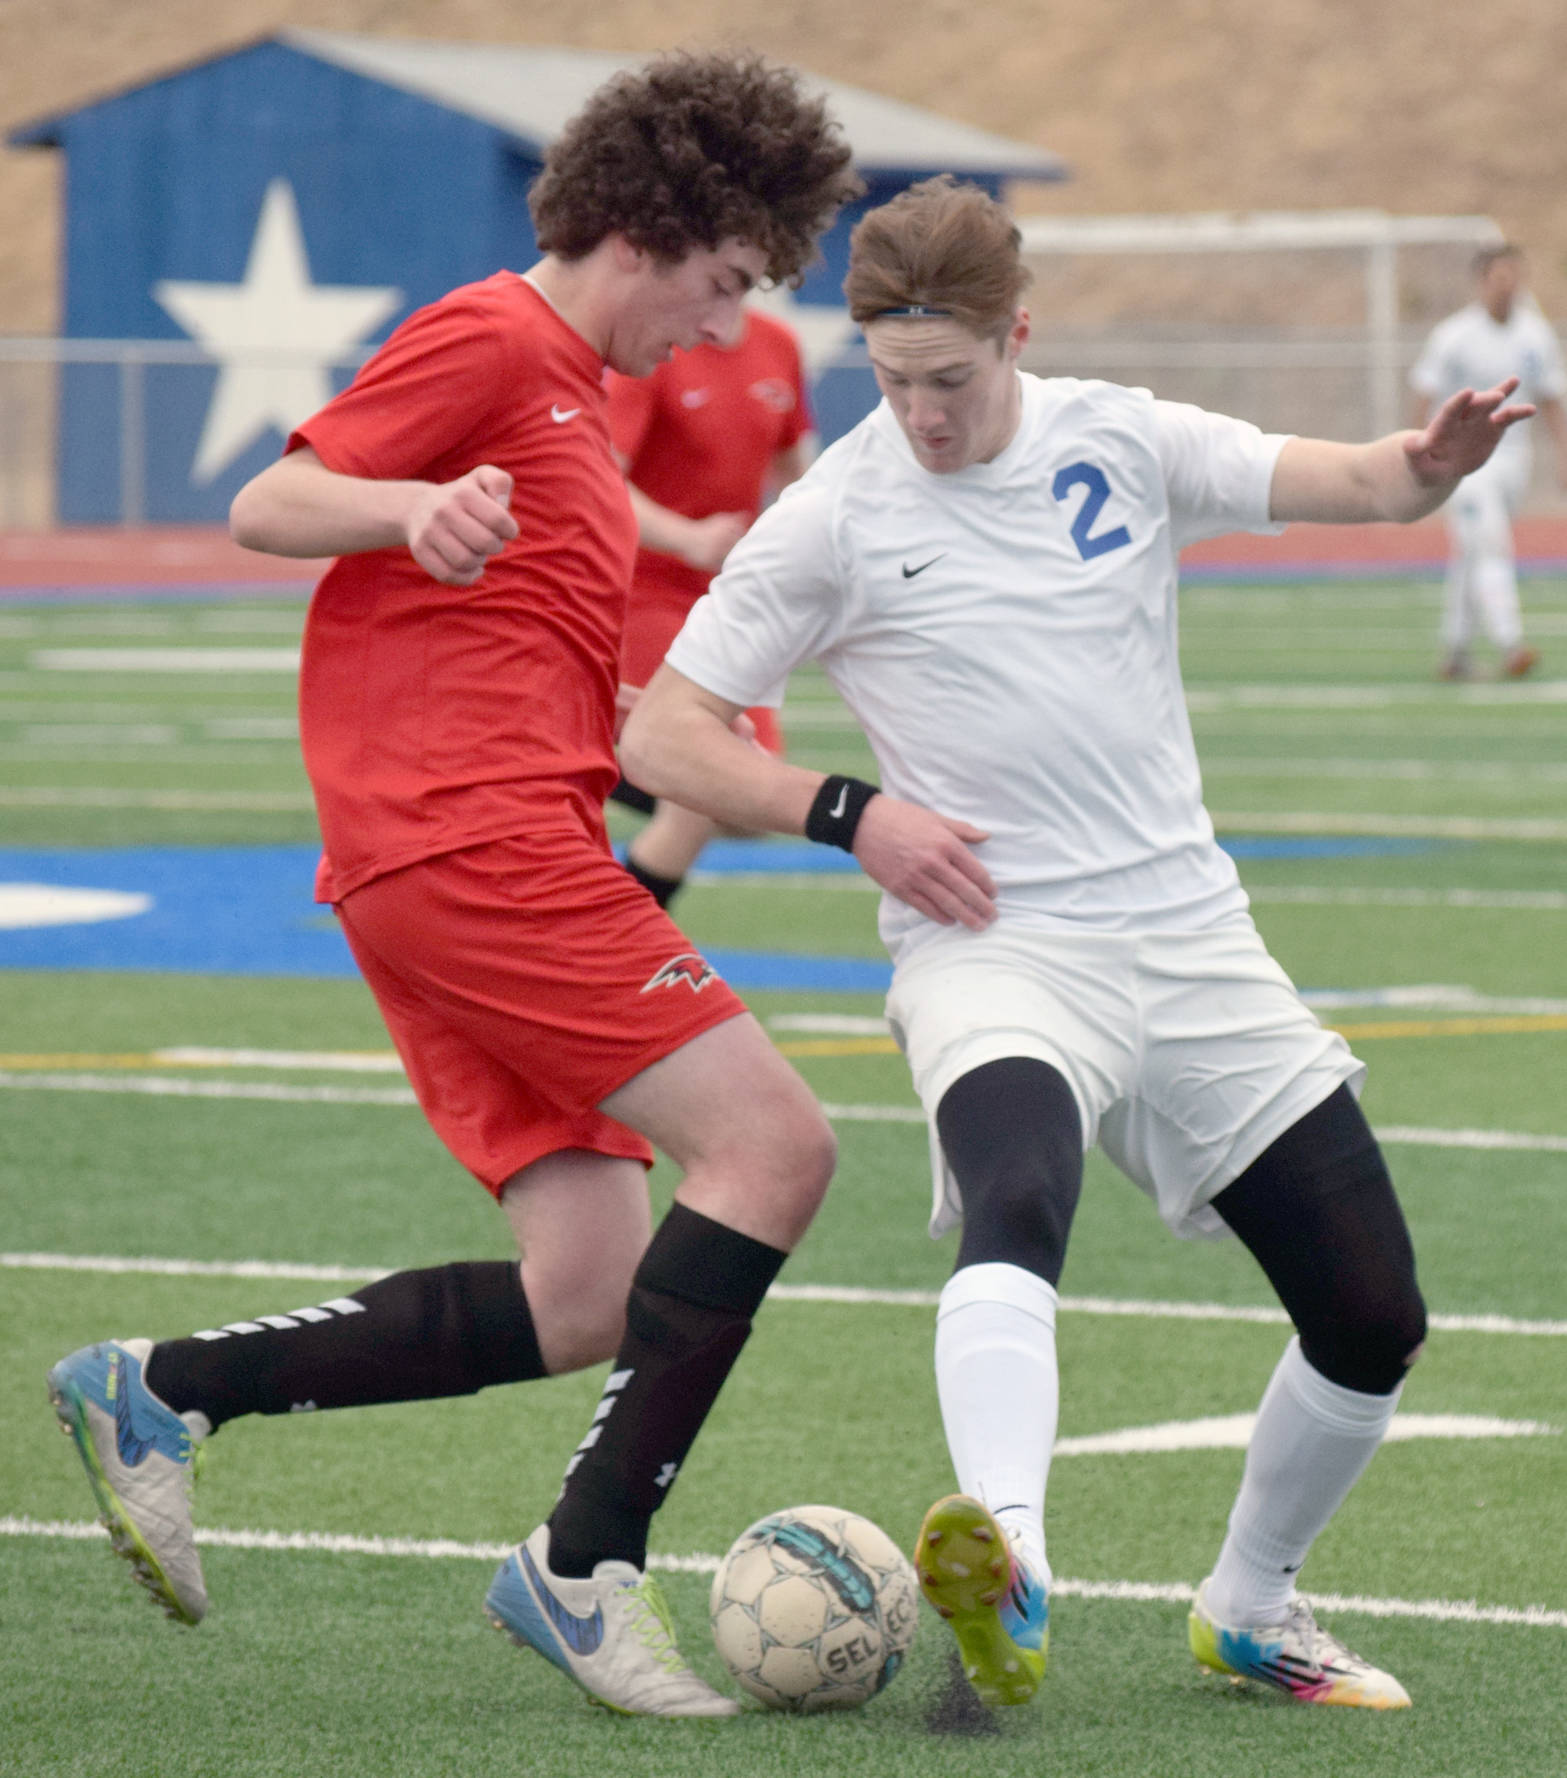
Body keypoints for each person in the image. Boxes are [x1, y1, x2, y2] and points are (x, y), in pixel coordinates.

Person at [621, 176, 1536, 1714]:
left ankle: (1248, 1606)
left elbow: (1363, 484)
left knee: (1373, 1314)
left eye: (950, 381)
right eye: (892, 381)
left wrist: (1429, 464)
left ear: (1015, 335)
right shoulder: (837, 509)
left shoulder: (1117, 433)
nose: (919, 414)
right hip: (994, 944)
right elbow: (664, 726)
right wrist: (854, 813)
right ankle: (1015, 1564)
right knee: (1018, 1190)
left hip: (1185, 936)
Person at [44, 51, 858, 1719]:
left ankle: (161, 1390)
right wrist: (412, 505)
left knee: (590, 1293)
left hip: (463, 850)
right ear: (658, 227)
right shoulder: (501, 335)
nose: (722, 327)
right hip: (468, 841)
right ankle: (584, 1563)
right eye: (722, 284)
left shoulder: (572, 384)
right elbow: (270, 497)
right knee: (775, 1142)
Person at [607, 305, 814, 908]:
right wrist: (686, 537)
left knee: (752, 799)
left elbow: (791, 465)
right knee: (704, 784)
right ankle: (619, 951)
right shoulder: (659, 343)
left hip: (728, 599)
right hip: (646, 592)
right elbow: (599, 476)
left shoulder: (778, 344)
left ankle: (588, 761)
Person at [1410, 242, 1567, 679]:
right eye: (1500, 277)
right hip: (1465, 465)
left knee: (1473, 553)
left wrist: (1563, 454)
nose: (1509, 286)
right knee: (1492, 545)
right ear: (1481, 281)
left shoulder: (1535, 334)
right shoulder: (1453, 336)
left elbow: (1552, 397)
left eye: (1515, 276)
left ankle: (1456, 651)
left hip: (1515, 459)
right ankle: (1510, 642)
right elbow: (1423, 393)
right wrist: (1419, 452)